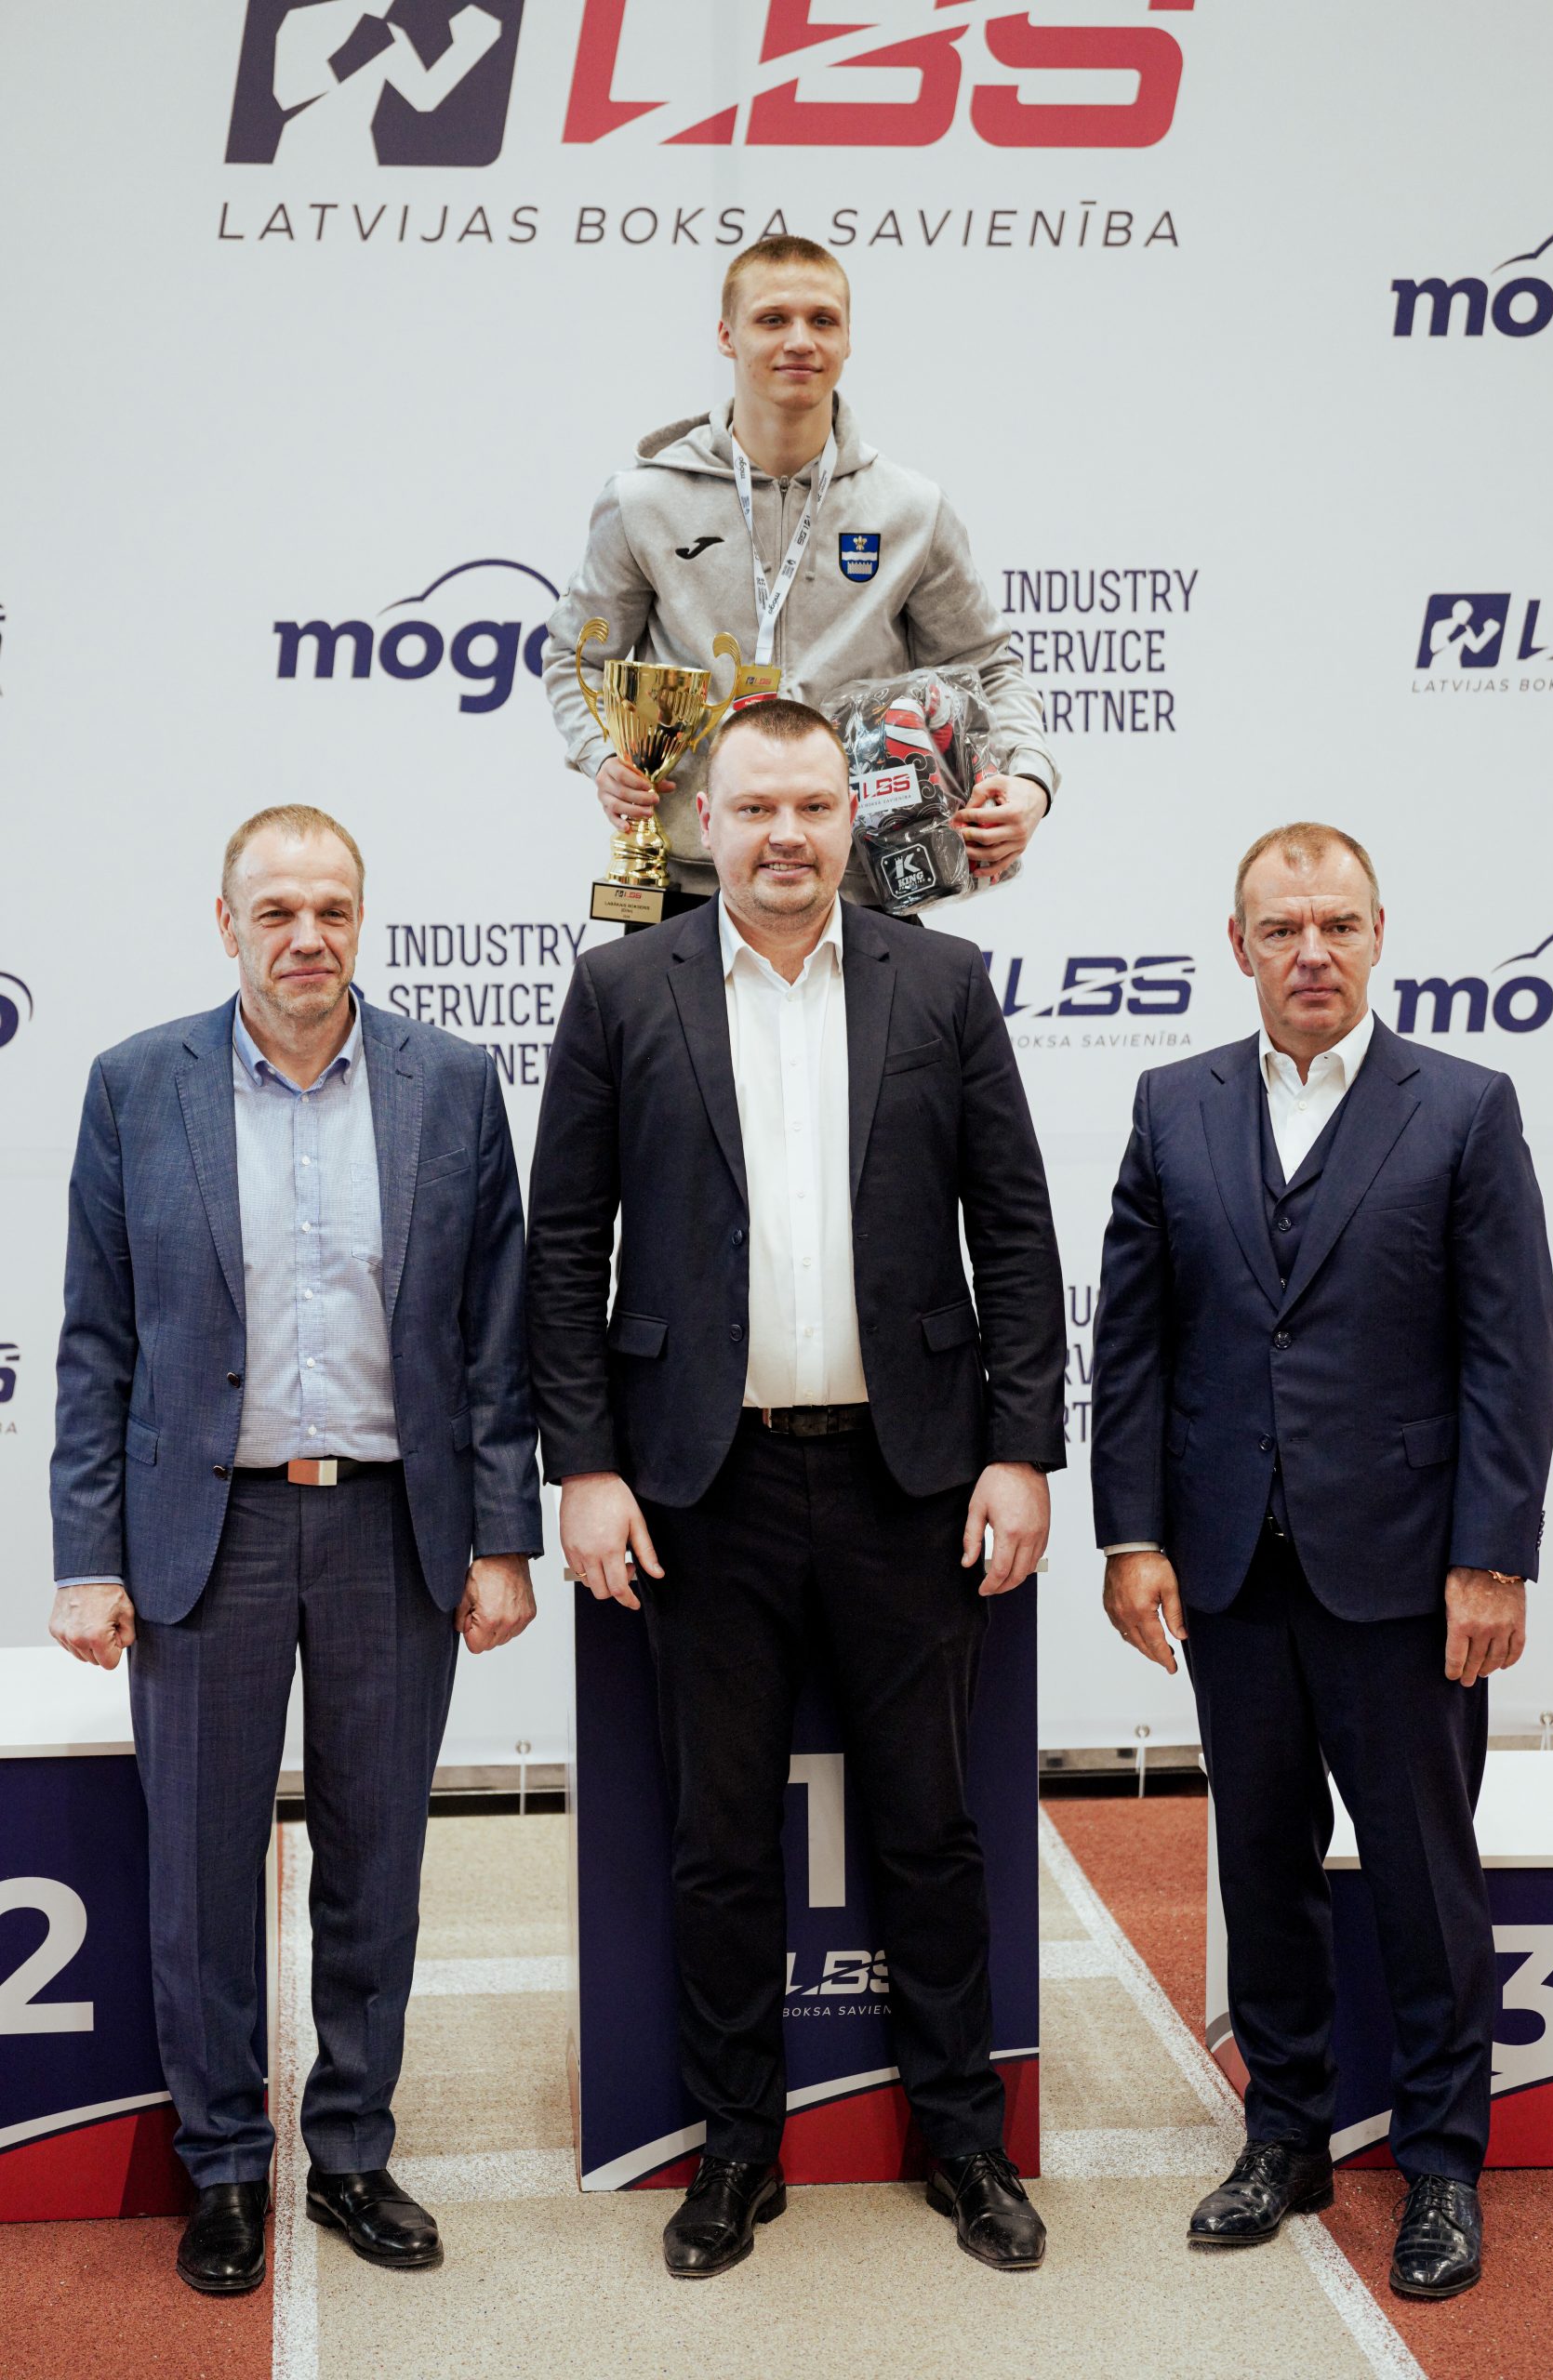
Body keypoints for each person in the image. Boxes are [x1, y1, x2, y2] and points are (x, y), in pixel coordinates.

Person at [525, 697, 1066, 2276]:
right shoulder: (621, 989)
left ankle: (963, 2137)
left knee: (929, 1829)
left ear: (851, 819)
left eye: (813, 808)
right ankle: (733, 2151)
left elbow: (1012, 1230)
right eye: (755, 807)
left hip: (912, 1481)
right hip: (702, 1488)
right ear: (701, 821)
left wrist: (1020, 1447)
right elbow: (563, 1251)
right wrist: (584, 1465)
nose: (784, 836)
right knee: (717, 1840)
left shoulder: (941, 984)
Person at [49, 805, 540, 2295]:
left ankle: (351, 2153)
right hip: (210, 1531)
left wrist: (502, 1537)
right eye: (275, 912)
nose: (306, 937)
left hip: (396, 1524)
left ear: (360, 918)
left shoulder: (450, 1083)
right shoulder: (138, 1084)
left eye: (331, 909)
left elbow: (495, 1338)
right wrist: (86, 1555)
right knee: (203, 1870)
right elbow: (97, 1341)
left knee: (375, 1860)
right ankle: (219, 2165)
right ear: (227, 925)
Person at [1090, 822, 1553, 2300]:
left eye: (1337, 926)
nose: (1311, 953)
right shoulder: (1172, 1106)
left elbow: (1506, 1354)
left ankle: (1439, 2163)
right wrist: (1131, 1534)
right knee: (1261, 1862)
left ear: (1375, 936)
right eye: (1282, 929)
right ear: (1236, 946)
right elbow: (1134, 1345)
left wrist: (1490, 1557)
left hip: (1404, 1580)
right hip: (1228, 1573)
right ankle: (1283, 2136)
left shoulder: (1462, 1108)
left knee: (1421, 1879)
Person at [540, 233, 1057, 918]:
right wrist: (604, 756)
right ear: (727, 336)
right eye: (772, 319)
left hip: (864, 881)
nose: (800, 341)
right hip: (691, 883)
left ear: (848, 340)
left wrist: (1029, 780)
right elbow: (574, 655)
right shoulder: (645, 500)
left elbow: (986, 666)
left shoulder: (909, 508)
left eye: (822, 320)